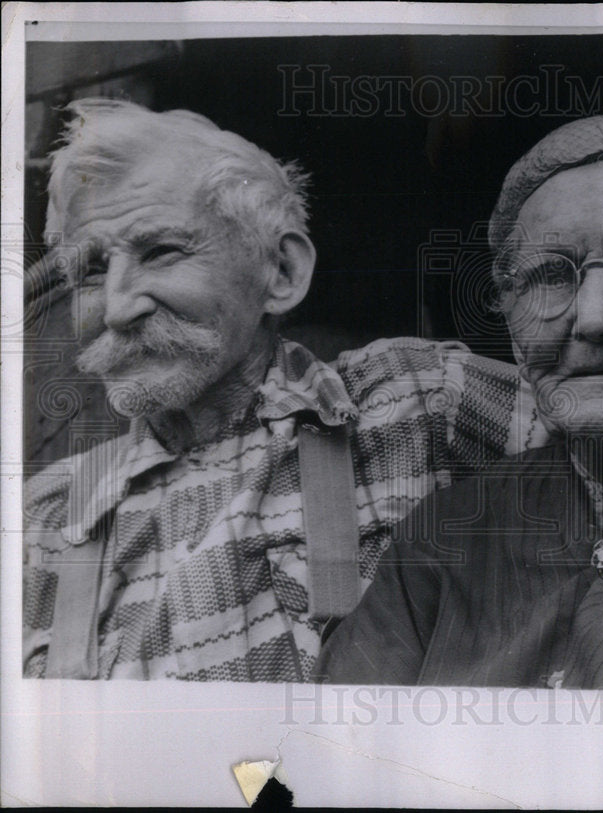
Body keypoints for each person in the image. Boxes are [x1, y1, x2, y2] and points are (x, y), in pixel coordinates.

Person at [21, 98, 547, 682]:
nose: (118, 307)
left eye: (161, 251)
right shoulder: (43, 519)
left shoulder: (423, 402)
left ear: (283, 273)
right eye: (90, 272)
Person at [317, 113, 603, 691]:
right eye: (550, 277)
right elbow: (319, 763)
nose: (592, 318)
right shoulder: (445, 541)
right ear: (515, 332)